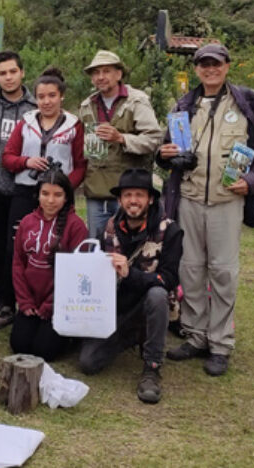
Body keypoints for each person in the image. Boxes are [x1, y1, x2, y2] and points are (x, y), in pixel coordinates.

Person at [158, 44, 254, 377]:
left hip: (227, 201)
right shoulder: (183, 106)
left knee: (223, 272)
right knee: (191, 269)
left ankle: (221, 344)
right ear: (196, 69)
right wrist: (165, 155)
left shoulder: (248, 103)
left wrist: (251, 182)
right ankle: (196, 336)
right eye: (203, 64)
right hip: (189, 199)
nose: (210, 69)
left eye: (216, 63)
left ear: (227, 65)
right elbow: (167, 155)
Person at [78, 168, 183, 404]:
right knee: (88, 363)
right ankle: (129, 336)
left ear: (151, 199)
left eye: (139, 195)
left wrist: (130, 274)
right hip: (116, 306)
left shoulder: (171, 230)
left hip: (149, 304)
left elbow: (169, 280)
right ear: (119, 200)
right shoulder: (108, 228)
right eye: (127, 195)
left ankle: (152, 367)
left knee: (157, 295)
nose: (133, 200)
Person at [2, 67, 86, 281]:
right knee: (16, 248)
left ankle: (56, 300)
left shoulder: (74, 125)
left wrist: (64, 187)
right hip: (25, 191)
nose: (46, 101)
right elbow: (8, 157)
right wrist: (26, 161)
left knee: (56, 248)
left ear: (61, 96)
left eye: (52, 96)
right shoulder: (26, 122)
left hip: (57, 197)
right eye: (41, 97)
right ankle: (12, 302)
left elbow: (80, 165)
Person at [0, 51, 38, 329]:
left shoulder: (35, 108)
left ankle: (22, 299)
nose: (8, 77)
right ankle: (1, 302)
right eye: (2, 73)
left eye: (13, 71)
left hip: (24, 189)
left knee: (19, 250)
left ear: (22, 73)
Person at [77, 50, 164, 238]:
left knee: (130, 246)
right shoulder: (86, 106)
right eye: (96, 73)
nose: (101, 77)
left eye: (106, 71)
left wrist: (122, 138)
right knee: (97, 248)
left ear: (119, 74)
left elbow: (154, 139)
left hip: (130, 193)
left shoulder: (136, 101)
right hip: (96, 193)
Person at [10, 169, 87, 361]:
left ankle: (71, 335)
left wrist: (51, 304)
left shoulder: (76, 226)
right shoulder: (27, 222)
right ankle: (34, 321)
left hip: (59, 302)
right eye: (45, 194)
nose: (50, 200)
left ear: (66, 197)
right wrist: (24, 301)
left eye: (57, 195)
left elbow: (77, 274)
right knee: (19, 345)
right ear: (38, 195)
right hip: (31, 298)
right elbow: (18, 263)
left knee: (45, 351)